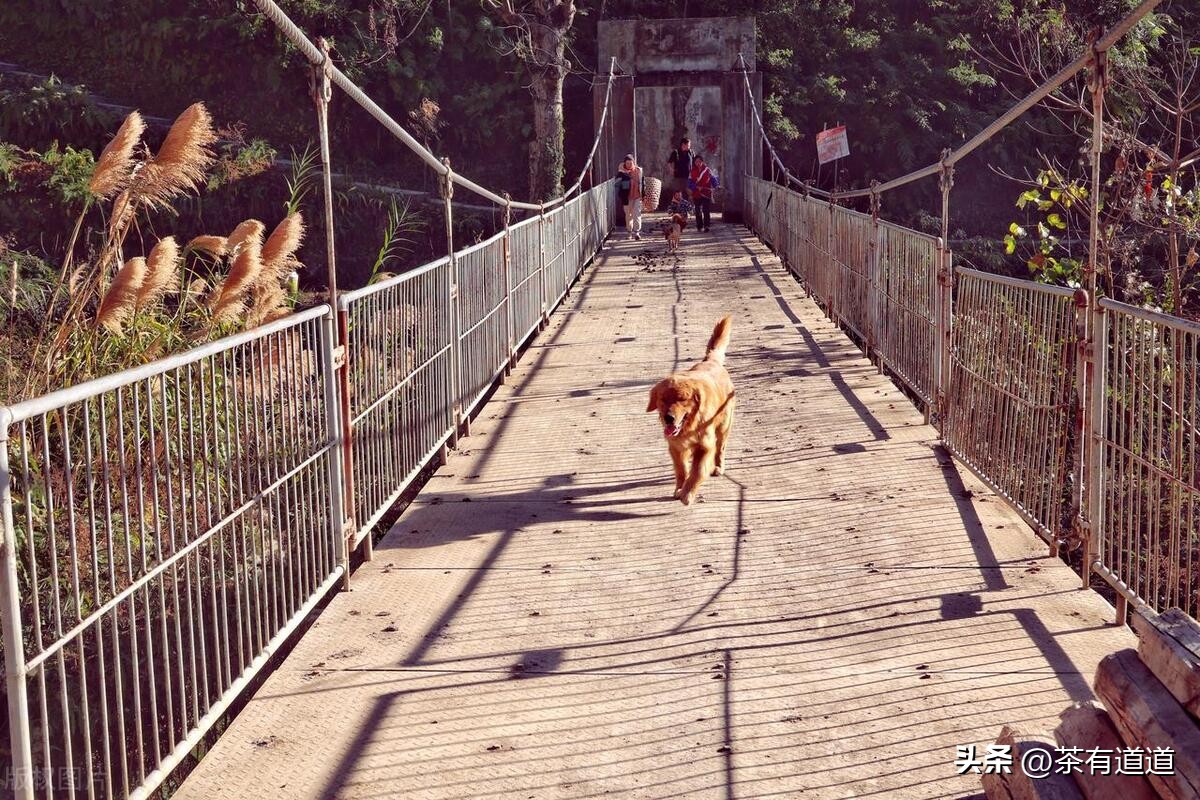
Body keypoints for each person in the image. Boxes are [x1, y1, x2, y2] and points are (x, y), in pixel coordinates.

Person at [615, 153, 644, 240]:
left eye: (631, 163)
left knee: (637, 214)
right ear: (624, 164)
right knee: (628, 215)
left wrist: (643, 194)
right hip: (627, 198)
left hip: (637, 196)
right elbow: (616, 184)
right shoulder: (621, 173)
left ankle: (637, 233)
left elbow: (643, 183)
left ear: (634, 163)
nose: (629, 165)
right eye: (627, 163)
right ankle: (629, 232)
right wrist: (623, 175)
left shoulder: (639, 171)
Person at [689, 153, 716, 232]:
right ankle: (699, 226)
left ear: (702, 162)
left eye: (699, 161)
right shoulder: (692, 171)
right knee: (697, 210)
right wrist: (696, 187)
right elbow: (689, 183)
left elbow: (713, 179)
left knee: (706, 210)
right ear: (694, 162)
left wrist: (716, 186)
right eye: (696, 161)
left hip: (706, 193)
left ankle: (707, 226)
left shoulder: (707, 170)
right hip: (696, 194)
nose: (698, 163)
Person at [665, 137, 694, 210]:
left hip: (688, 177)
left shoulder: (691, 152)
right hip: (678, 177)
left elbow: (694, 163)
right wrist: (671, 170)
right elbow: (669, 163)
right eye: (688, 145)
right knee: (678, 193)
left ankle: (689, 209)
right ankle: (677, 209)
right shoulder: (676, 152)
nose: (689, 146)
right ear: (683, 144)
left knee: (689, 193)